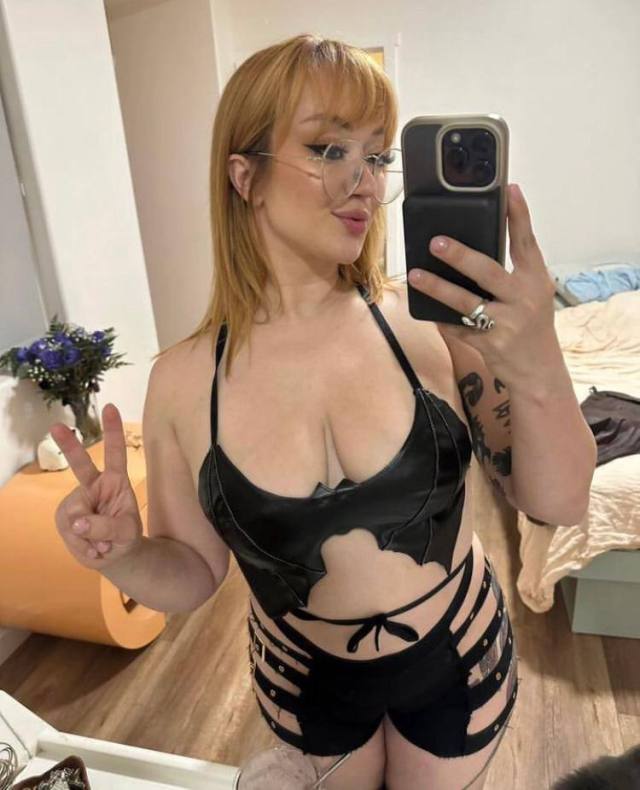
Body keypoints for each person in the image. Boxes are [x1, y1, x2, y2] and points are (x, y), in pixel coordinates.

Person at [50, 33, 597, 790]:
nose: (365, 182)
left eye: (376, 155)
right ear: (245, 176)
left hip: (459, 657)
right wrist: (125, 556)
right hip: (305, 681)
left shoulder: (431, 326)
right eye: (328, 149)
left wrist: (539, 363)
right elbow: (194, 574)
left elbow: (560, 501)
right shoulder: (182, 383)